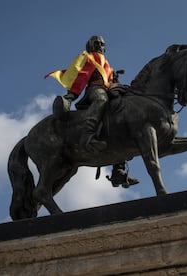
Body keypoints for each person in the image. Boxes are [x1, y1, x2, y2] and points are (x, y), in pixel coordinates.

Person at [46, 35, 139, 187]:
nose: (100, 45)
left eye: (102, 44)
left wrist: (116, 80)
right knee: (101, 100)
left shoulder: (108, 64)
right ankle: (88, 135)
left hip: (109, 91)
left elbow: (111, 82)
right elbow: (79, 74)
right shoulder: (86, 57)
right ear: (90, 45)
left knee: (122, 115)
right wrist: (71, 95)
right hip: (95, 90)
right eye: (96, 43)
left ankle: (119, 169)